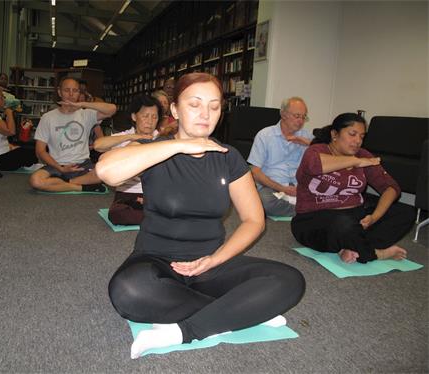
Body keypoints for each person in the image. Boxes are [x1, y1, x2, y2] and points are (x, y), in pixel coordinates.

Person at [96, 73, 305, 359]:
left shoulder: (227, 155)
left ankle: (186, 330)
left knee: (289, 280)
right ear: (174, 110)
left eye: (214, 106)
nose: (206, 114)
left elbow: (254, 220)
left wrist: (215, 259)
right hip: (155, 260)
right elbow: (106, 171)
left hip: (210, 261)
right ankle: (240, 313)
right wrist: (179, 145)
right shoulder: (153, 150)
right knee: (128, 291)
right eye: (194, 104)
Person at [291, 113, 415, 264]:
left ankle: (351, 246)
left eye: (362, 136)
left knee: (405, 213)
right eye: (352, 134)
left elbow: (391, 188)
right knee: (343, 225)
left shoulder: (363, 155)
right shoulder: (316, 151)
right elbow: (314, 164)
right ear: (334, 134)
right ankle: (373, 253)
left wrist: (374, 217)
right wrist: (356, 162)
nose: (358, 141)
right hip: (314, 219)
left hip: (355, 216)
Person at [29, 77, 116, 193]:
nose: (71, 94)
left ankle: (64, 183)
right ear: (59, 92)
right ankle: (80, 186)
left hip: (82, 165)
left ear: (79, 93)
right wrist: (60, 168)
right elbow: (40, 151)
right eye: (67, 90)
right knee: (35, 181)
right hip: (57, 165)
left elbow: (112, 109)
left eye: (75, 91)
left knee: (106, 173)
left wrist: (82, 104)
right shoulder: (47, 118)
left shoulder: (86, 114)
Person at [94, 95, 161, 225]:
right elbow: (98, 145)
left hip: (156, 194)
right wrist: (132, 137)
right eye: (145, 116)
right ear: (134, 117)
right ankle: (159, 217)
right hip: (128, 193)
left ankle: (155, 214)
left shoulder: (162, 139)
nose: (150, 121)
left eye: (154, 117)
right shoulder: (125, 136)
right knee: (116, 214)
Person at [247, 97, 312, 217]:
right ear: (283, 114)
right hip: (273, 186)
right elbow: (255, 171)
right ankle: (304, 210)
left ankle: (302, 208)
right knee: (264, 202)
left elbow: (327, 155)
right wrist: (283, 188)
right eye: (297, 116)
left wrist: (308, 144)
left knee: (328, 197)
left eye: (304, 117)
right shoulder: (265, 135)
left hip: (300, 186)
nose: (301, 121)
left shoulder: (307, 136)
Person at [0, 86, 38, 171]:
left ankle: (28, 164)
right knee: (30, 152)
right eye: (1, 97)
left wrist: (11, 147)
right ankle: (29, 165)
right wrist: (9, 113)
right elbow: (11, 132)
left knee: (26, 149)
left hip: (1, 152)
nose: (4, 99)